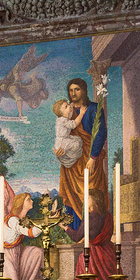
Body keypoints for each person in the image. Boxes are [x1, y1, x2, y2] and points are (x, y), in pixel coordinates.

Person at [55, 77, 108, 216]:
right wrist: (60, 153)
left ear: (84, 91)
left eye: (77, 89)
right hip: (72, 161)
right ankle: (77, 232)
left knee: (92, 192)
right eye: (71, 90)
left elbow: (100, 134)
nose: (73, 93)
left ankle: (94, 230)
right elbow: (61, 136)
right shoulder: (65, 111)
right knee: (72, 195)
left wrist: (93, 157)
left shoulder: (94, 109)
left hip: (88, 158)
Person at [52, 98, 86, 168]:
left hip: (64, 139)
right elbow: (74, 124)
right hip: (62, 142)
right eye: (66, 107)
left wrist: (71, 105)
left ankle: (72, 155)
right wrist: (81, 114)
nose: (69, 107)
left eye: (67, 105)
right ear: (61, 113)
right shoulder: (62, 120)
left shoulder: (64, 116)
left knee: (78, 139)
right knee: (76, 144)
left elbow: (69, 114)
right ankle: (71, 157)